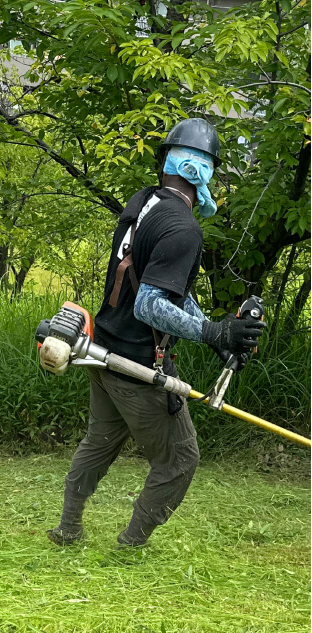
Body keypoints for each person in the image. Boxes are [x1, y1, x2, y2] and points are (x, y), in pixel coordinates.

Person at [46, 118, 266, 548]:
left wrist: (216, 332)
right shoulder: (183, 229)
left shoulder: (143, 203)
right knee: (181, 459)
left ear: (166, 162)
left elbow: (166, 288)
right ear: (201, 173)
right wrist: (211, 333)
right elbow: (151, 305)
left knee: (100, 441)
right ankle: (131, 542)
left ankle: (68, 527)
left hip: (102, 351)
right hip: (137, 368)